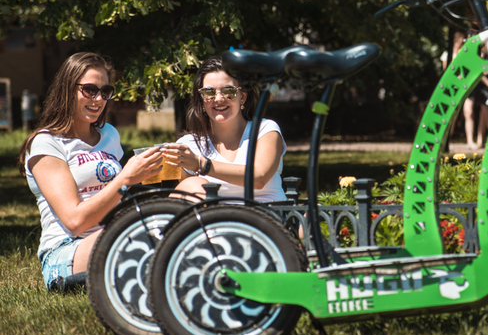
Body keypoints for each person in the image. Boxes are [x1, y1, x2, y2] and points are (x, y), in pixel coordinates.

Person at [19, 52, 164, 290]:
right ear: (67, 90)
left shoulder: (109, 134)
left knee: (169, 225)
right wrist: (126, 178)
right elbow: (75, 221)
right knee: (143, 240)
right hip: (67, 250)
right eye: (89, 90)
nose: (98, 99)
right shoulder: (47, 143)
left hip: (113, 234)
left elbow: (115, 197)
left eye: (105, 92)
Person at [161, 55, 287, 202]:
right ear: (202, 100)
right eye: (209, 92)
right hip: (215, 222)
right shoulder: (189, 145)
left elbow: (259, 177)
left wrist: (201, 164)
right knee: (190, 185)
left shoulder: (264, 130)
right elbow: (187, 198)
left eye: (229, 91)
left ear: (242, 97)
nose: (219, 99)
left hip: (265, 220)